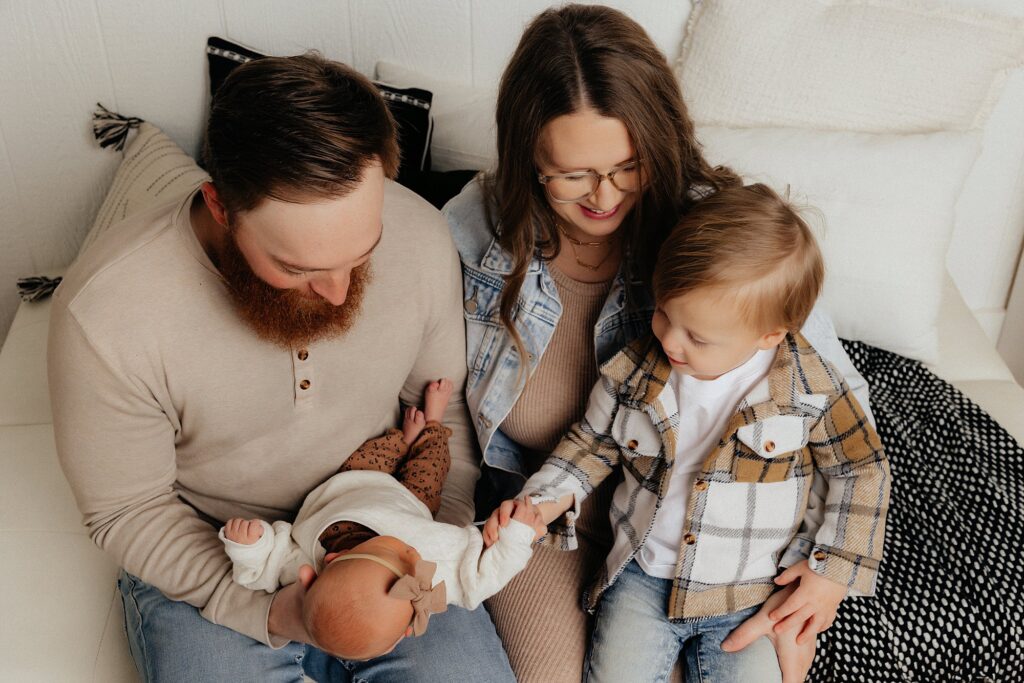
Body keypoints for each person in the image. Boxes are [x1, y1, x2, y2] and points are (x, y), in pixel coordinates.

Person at [49, 53, 515, 682]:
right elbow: (127, 510)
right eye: (297, 268)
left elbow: (445, 414)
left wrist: (425, 548)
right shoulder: (107, 315)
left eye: (362, 252)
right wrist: (268, 611)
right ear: (220, 207)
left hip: (392, 533)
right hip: (221, 550)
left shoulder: (420, 234)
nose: (337, 290)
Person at [443, 5, 874, 681]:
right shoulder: (473, 233)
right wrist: (471, 524)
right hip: (552, 514)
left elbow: (844, 416)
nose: (605, 196)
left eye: (626, 166)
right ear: (528, 155)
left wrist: (824, 579)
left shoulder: (720, 234)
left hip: (715, 540)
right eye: (574, 174)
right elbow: (447, 413)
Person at [484, 183, 891, 681]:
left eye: (696, 336)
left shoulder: (809, 390)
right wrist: (542, 503)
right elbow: (589, 445)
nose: (669, 340)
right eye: (663, 314)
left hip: (749, 590)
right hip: (642, 578)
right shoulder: (635, 373)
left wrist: (833, 572)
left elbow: (862, 468)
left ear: (770, 334)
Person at [220, 379, 542, 661]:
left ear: (332, 560)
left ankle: (402, 439)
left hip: (355, 488)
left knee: (369, 457)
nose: (414, 554)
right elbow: (488, 578)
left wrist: (250, 545)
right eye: (410, 562)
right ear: (405, 631)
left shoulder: (306, 561)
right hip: (410, 503)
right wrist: (518, 535)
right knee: (431, 470)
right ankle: (433, 424)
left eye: (395, 552)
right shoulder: (432, 571)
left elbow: (263, 569)